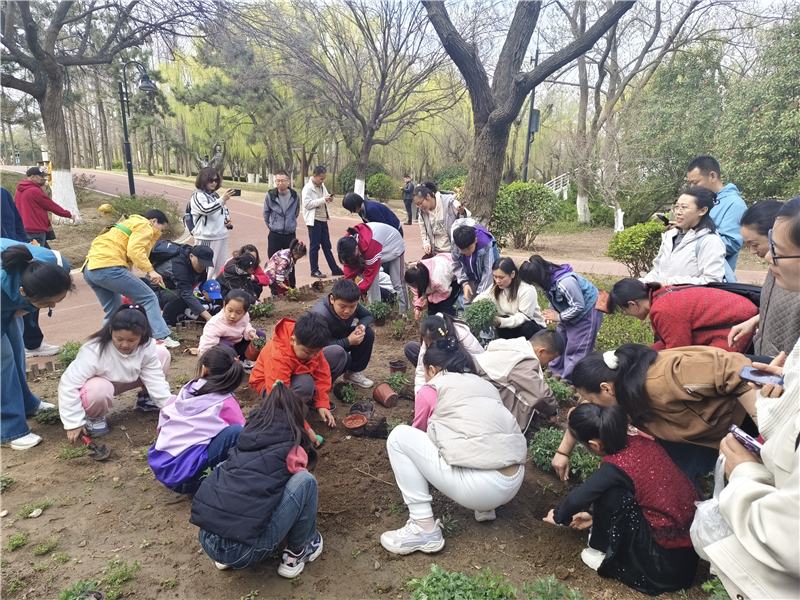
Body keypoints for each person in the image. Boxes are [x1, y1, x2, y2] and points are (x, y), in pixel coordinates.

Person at [697, 199, 800, 598]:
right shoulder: (782, 277)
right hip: (777, 368)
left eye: (774, 248)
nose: (767, 258)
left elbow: (787, 532)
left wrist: (746, 473)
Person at [380, 338, 527, 555]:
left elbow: (418, 434)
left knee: (400, 437)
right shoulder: (486, 385)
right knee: (478, 434)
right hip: (514, 480)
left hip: (481, 488)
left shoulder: (431, 390)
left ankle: (424, 529)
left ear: (431, 369)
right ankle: (485, 509)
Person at [544, 404, 699, 595]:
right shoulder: (645, 444)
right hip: (688, 557)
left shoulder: (615, 467)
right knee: (618, 491)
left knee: (610, 493)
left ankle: (599, 552)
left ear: (595, 445)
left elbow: (578, 499)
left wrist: (561, 516)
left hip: (661, 567)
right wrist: (594, 517)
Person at [555, 344, 758, 485]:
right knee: (672, 479)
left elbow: (737, 370)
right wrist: (563, 452)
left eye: (589, 398)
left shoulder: (663, 378)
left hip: (751, 407)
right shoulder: (618, 391)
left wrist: (767, 425)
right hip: (701, 432)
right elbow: (582, 412)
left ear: (606, 389)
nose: (588, 404)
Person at [191, 381, 323, 576]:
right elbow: (298, 483)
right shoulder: (292, 448)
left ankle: (223, 556)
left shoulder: (245, 437)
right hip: (244, 552)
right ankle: (299, 550)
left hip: (208, 539)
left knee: (226, 468)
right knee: (305, 481)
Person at [57, 303, 172, 438]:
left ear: (142, 335)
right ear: (111, 330)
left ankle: (147, 398)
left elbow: (154, 377)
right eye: (119, 339)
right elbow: (68, 384)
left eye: (132, 340)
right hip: (99, 388)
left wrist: (168, 405)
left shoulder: (147, 345)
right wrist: (73, 422)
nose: (124, 344)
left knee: (162, 353)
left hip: (130, 379)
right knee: (99, 388)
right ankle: (95, 417)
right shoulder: (94, 351)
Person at [1, 241, 73, 449]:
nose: (52, 307)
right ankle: (8, 428)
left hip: (9, 292)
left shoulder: (56, 266)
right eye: (46, 304)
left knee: (15, 347)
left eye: (57, 300)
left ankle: (25, 403)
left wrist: (24, 308)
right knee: (2, 360)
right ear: (23, 292)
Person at [149, 346, 246, 494]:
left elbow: (164, 417)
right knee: (236, 432)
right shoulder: (226, 404)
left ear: (204, 370)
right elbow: (246, 441)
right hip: (185, 481)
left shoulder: (189, 388)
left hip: (163, 466)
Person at [83, 210, 179, 348]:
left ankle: (103, 343)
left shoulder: (127, 223)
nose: (160, 233)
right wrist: (151, 271)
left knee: (114, 310)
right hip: (109, 267)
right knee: (149, 297)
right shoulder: (144, 225)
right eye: (161, 229)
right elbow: (135, 250)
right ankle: (161, 337)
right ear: (153, 221)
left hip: (90, 269)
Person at [249, 314, 348, 446]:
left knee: (337, 353)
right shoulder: (278, 357)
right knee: (305, 384)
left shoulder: (311, 343)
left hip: (298, 372)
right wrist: (306, 429)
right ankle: (293, 419)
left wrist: (322, 404)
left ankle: (309, 402)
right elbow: (280, 397)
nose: (313, 356)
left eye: (316, 352)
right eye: (308, 352)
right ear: (292, 340)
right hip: (270, 386)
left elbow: (322, 374)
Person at [729, 200, 800, 358]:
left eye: (755, 244)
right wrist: (755, 321)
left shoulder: (792, 275)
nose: (769, 256)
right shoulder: (778, 269)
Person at [610, 279, 757, 352]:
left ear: (633, 304)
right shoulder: (662, 294)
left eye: (624, 311)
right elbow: (671, 341)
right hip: (733, 321)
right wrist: (642, 354)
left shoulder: (664, 309)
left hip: (737, 329)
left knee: (702, 374)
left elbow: (678, 352)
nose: (626, 315)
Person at [521, 256, 603, 383]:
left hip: (586, 312)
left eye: (532, 283)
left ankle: (568, 381)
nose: (534, 286)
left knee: (576, 348)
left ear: (537, 278)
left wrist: (558, 316)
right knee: (560, 341)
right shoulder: (546, 280)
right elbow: (553, 298)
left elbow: (579, 305)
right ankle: (555, 373)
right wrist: (550, 313)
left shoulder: (566, 282)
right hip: (568, 310)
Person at [2, 187, 58, 358]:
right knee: (5, 354)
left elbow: (17, 224)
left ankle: (32, 343)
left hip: (18, 257)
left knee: (31, 300)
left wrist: (22, 245)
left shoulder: (3, 193)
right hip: (4, 264)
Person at [474, 329, 564, 433]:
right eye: (550, 360)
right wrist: (553, 412)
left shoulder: (512, 347)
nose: (548, 364)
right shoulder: (523, 360)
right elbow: (540, 395)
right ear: (541, 351)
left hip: (478, 389)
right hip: (485, 409)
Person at [642, 187, 730, 285]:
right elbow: (658, 271)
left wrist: (672, 282)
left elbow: (712, 281)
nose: (678, 212)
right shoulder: (670, 236)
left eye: (684, 207)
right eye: (677, 207)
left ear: (702, 211)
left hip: (687, 299)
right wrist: (641, 285)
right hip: (663, 298)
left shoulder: (710, 241)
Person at [308, 279, 375, 389]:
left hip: (338, 338)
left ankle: (352, 374)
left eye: (352, 307)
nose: (347, 311)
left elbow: (367, 315)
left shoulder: (351, 303)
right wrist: (348, 341)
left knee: (367, 333)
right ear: (332, 299)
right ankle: (320, 385)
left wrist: (361, 326)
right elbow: (316, 347)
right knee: (344, 357)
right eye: (342, 307)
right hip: (318, 350)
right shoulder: (319, 315)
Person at [686, 155, 747, 271]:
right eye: (690, 183)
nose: (691, 188)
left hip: (715, 276)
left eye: (695, 182)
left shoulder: (734, 204)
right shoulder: (702, 202)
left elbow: (731, 244)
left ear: (712, 176)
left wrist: (692, 236)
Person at [404, 312, 485, 396]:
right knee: (411, 348)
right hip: (441, 364)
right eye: (428, 344)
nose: (431, 346)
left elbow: (481, 362)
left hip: (461, 368)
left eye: (434, 344)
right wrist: (420, 395)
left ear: (446, 333)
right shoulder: (429, 335)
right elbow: (421, 369)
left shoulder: (462, 334)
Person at [337, 222, 408, 311]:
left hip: (393, 245)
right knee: (372, 283)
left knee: (397, 282)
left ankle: (404, 311)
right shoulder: (346, 244)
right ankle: (375, 310)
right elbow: (349, 270)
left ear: (356, 248)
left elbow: (369, 277)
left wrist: (355, 293)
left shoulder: (371, 246)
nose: (350, 259)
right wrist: (346, 290)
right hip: (375, 246)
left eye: (352, 257)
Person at [473, 257, 546, 340]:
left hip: (532, 329)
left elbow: (523, 318)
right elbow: (484, 296)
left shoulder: (527, 289)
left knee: (526, 326)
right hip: (512, 326)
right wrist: (478, 303)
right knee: (503, 322)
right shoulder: (496, 287)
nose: (497, 281)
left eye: (501, 277)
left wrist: (499, 321)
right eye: (495, 277)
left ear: (512, 274)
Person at [148, 244, 215, 327]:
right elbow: (186, 293)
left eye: (206, 264)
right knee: (179, 298)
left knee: (190, 298)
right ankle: (166, 324)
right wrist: (208, 317)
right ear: (191, 256)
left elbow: (201, 285)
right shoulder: (178, 266)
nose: (203, 267)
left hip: (174, 288)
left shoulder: (198, 267)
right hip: (155, 290)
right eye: (201, 263)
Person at [197, 290, 265, 361]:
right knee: (224, 343)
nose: (233, 316)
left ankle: (243, 361)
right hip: (224, 351)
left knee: (260, 335)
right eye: (230, 310)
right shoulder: (215, 324)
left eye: (238, 312)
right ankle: (230, 365)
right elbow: (206, 347)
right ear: (224, 305)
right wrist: (207, 363)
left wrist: (250, 332)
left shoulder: (245, 316)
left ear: (245, 312)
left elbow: (245, 324)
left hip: (237, 345)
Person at [190, 167, 234, 278]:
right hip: (207, 236)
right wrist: (222, 199)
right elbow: (206, 210)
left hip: (221, 235)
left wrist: (226, 221)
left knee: (220, 267)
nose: (214, 183)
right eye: (211, 180)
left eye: (216, 180)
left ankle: (215, 289)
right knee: (205, 267)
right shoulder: (197, 196)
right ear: (203, 180)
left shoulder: (215, 195)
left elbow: (223, 211)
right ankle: (203, 290)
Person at [15, 166, 73, 247]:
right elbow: (50, 205)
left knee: (44, 253)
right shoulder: (34, 190)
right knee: (38, 255)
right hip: (36, 229)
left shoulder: (19, 190)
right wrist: (68, 214)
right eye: (41, 177)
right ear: (33, 177)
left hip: (24, 227)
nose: (44, 179)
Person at [302, 166, 343, 279]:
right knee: (315, 246)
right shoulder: (307, 188)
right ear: (314, 176)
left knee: (327, 245)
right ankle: (314, 270)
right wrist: (323, 200)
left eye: (324, 179)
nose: (322, 181)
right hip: (314, 220)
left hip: (323, 219)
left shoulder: (322, 185)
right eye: (320, 179)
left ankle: (334, 269)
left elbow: (323, 199)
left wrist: (328, 199)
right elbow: (307, 204)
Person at [263, 170, 301, 288]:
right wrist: (273, 226)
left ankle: (292, 287)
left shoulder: (295, 196)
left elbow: (296, 212)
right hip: (275, 234)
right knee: (274, 262)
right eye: (277, 181)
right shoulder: (270, 196)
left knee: (291, 261)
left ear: (288, 181)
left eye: (282, 181)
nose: (280, 183)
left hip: (290, 235)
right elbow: (266, 213)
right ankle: (274, 290)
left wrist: (289, 223)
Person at [451, 219, 499, 305]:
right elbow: (456, 264)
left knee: (482, 301)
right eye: (462, 250)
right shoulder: (455, 244)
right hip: (470, 275)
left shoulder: (486, 245)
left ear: (475, 241)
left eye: (469, 249)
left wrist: (481, 295)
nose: (466, 253)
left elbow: (488, 271)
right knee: (466, 299)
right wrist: (464, 283)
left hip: (486, 275)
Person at [413, 183, 468, 256]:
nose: (420, 207)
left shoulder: (449, 203)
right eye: (417, 205)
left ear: (428, 196)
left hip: (454, 252)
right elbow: (424, 232)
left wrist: (461, 212)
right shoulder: (422, 214)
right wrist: (426, 244)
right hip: (436, 253)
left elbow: (465, 223)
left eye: (420, 203)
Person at [405, 254, 458, 319]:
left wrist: (428, 299)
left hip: (453, 274)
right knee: (432, 307)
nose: (413, 288)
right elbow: (417, 293)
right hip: (436, 278)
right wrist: (418, 307)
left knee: (445, 307)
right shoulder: (416, 274)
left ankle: (450, 325)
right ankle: (433, 326)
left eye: (415, 286)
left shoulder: (437, 279)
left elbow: (446, 293)